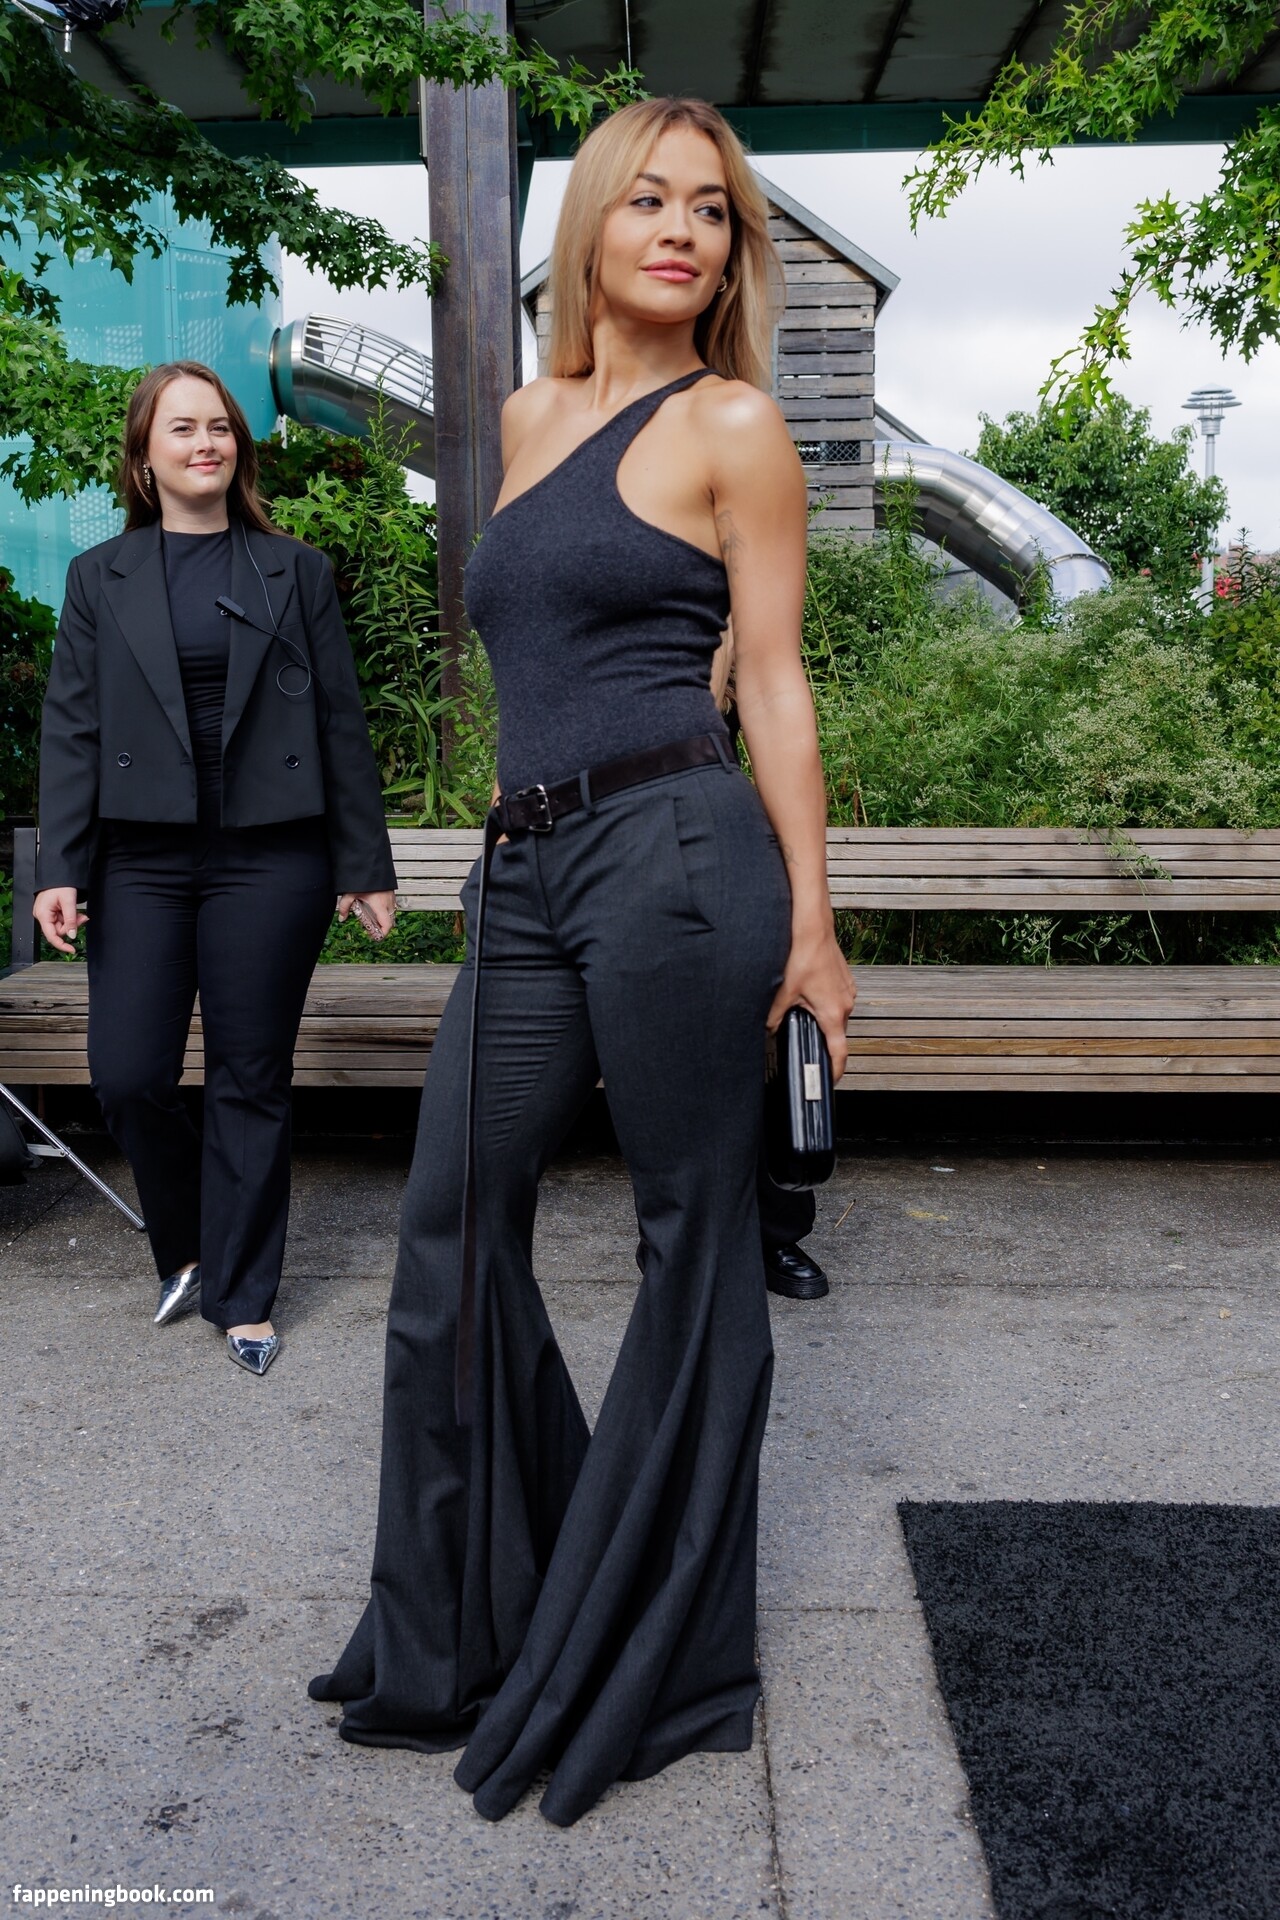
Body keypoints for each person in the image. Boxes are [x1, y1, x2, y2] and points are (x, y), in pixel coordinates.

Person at [310, 97, 855, 1823]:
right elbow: (529, 656)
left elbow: (773, 681)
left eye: (714, 210)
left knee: (695, 1239)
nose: (683, 230)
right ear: (594, 228)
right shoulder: (527, 415)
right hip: (526, 865)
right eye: (650, 201)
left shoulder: (735, 425)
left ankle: (650, 1649)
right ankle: (465, 1620)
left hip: (680, 855)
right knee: (452, 1222)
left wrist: (817, 924)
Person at [33, 361, 396, 1376]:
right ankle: (191, 1242)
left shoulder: (294, 570)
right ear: (144, 459)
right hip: (139, 859)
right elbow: (72, 727)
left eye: (220, 427)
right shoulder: (99, 576)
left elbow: (338, 721)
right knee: (128, 1074)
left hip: (269, 857)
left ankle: (242, 1296)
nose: (206, 443)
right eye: (183, 429)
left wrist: (363, 862)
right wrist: (60, 865)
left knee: (249, 1075)